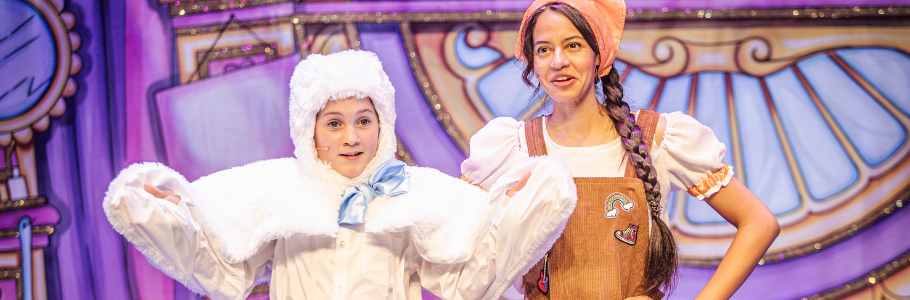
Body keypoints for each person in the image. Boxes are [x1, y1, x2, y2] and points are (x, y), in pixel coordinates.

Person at [103, 50, 578, 300]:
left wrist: (526, 205)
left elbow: (469, 275)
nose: (351, 136)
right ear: (309, 131)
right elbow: (222, 268)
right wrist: (164, 212)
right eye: (334, 123)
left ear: (382, 125)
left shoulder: (414, 190)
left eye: (363, 121)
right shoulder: (280, 186)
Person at [460, 0, 781, 299]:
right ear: (534, 63)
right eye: (544, 49)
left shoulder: (657, 137)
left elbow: (759, 223)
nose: (558, 61)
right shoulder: (512, 146)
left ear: (599, 56)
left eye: (573, 45)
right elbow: (455, 241)